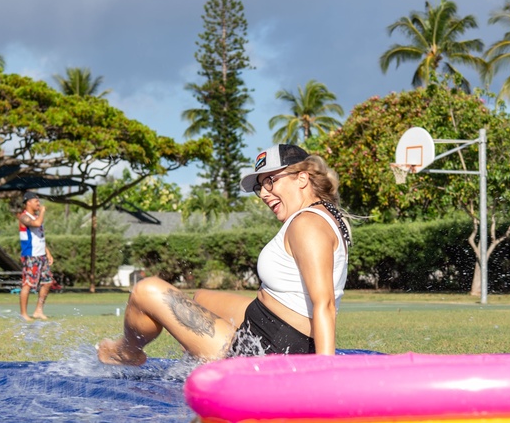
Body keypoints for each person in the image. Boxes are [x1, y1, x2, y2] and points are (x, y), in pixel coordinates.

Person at [97, 144, 350, 365]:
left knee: (146, 290)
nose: (263, 193)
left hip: (265, 351)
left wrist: (324, 375)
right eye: (260, 186)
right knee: (200, 298)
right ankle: (196, 360)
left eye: (270, 181)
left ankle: (127, 352)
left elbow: (324, 304)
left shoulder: (307, 224)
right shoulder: (324, 215)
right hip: (271, 327)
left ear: (302, 178)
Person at [17, 191, 55, 322]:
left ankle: (38, 310)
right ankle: (23, 313)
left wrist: (48, 252)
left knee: (48, 282)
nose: (38, 204)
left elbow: (39, 237)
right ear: (28, 203)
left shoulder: (36, 217)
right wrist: (43, 212)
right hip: (30, 256)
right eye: (36, 201)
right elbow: (37, 224)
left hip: (41, 255)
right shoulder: (24, 217)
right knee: (27, 284)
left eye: (39, 201)